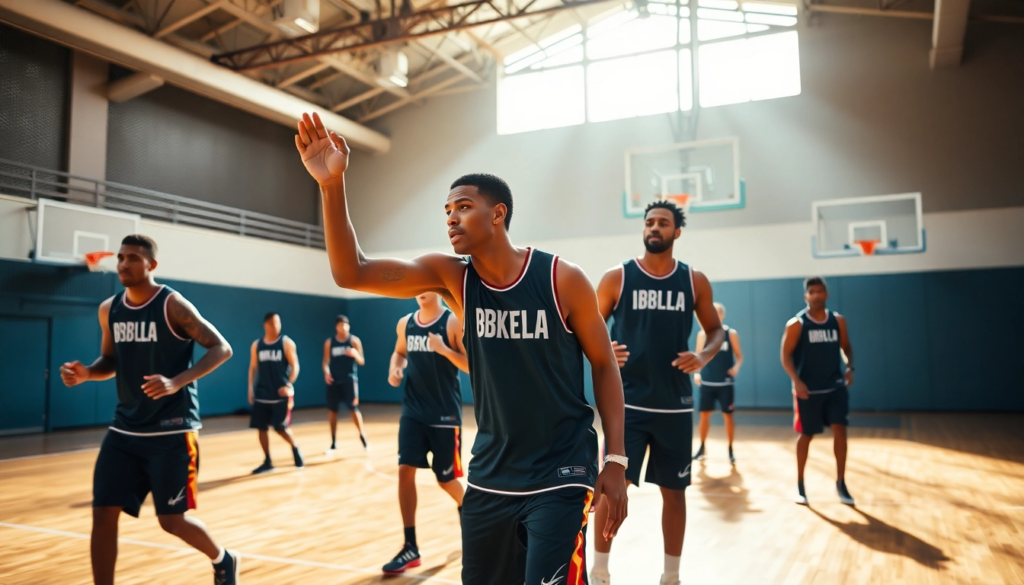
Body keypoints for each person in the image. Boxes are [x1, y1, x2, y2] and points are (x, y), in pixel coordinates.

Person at [294, 111, 628, 585]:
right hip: (491, 473)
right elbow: (353, 272)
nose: (451, 216)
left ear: (498, 214)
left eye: (464, 206)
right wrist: (331, 185)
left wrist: (615, 460)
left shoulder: (561, 278)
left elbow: (603, 365)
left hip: (562, 470)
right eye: (446, 210)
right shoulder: (452, 277)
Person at [59, 234, 240, 585]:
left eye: (132, 258)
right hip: (125, 429)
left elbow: (221, 348)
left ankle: (223, 559)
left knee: (171, 521)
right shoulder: (109, 308)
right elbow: (110, 360)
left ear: (151, 265)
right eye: (121, 257)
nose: (123, 264)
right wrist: (87, 374)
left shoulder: (172, 305)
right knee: (103, 514)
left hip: (171, 431)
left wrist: (177, 381)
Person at [592, 200, 725, 585]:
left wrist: (703, 354)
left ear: (677, 232)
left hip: (675, 405)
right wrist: (603, 349)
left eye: (662, 223)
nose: (654, 227)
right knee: (611, 488)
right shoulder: (617, 277)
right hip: (626, 405)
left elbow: (715, 330)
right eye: (649, 222)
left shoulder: (693, 280)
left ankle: (671, 576)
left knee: (675, 493)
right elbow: (589, 326)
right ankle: (600, 570)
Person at [381, 292, 469, 574]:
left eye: (427, 284)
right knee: (404, 470)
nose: (421, 290)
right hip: (413, 413)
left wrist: (444, 350)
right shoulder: (405, 323)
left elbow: (471, 365)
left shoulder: (453, 322)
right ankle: (410, 547)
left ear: (438, 288)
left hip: (445, 417)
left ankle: (474, 527)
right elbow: (400, 351)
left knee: (446, 481)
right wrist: (395, 367)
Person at [781, 276, 855, 506]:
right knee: (806, 435)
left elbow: (847, 347)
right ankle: (801, 484)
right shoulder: (797, 324)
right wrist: (796, 381)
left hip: (834, 388)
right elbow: (785, 356)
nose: (816, 295)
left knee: (840, 431)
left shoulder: (838, 321)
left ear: (826, 294)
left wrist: (850, 367)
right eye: (811, 292)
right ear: (806, 296)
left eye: (819, 291)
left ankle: (841, 482)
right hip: (808, 391)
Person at [248, 312, 304, 474]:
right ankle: (267, 461)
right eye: (273, 323)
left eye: (278, 323)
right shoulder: (256, 345)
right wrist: (250, 387)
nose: (277, 326)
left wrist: (289, 384)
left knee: (280, 427)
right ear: (266, 325)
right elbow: (252, 368)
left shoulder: (286, 343)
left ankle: (295, 448)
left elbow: (295, 366)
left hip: (280, 394)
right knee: (261, 428)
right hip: (262, 393)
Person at [694, 302, 744, 463]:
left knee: (728, 416)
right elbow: (698, 355)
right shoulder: (703, 335)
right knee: (704, 415)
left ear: (722, 315)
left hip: (725, 382)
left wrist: (736, 366)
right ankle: (702, 447)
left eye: (718, 313)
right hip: (708, 381)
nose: (715, 315)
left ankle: (730, 448)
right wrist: (696, 373)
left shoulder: (731, 333)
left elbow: (739, 355)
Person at [323, 314, 369, 454]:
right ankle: (333, 442)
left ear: (348, 326)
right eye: (340, 324)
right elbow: (325, 362)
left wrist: (355, 354)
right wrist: (327, 373)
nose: (343, 327)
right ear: (336, 326)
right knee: (333, 411)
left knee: (353, 408)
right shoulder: (329, 342)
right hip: (335, 381)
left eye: (345, 324)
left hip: (349, 380)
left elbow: (362, 361)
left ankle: (363, 438)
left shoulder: (354, 341)